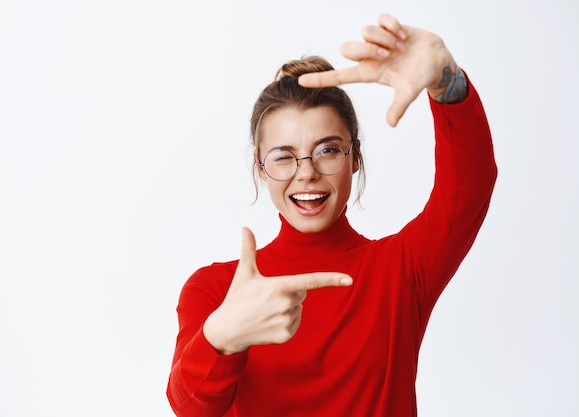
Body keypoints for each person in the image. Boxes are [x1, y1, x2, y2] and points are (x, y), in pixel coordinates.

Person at [166, 13, 497, 417]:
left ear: (354, 157)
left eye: (327, 149)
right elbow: (191, 408)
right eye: (283, 157)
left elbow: (471, 184)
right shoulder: (216, 290)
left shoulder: (400, 270)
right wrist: (222, 336)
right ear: (260, 167)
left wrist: (448, 83)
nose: (306, 172)